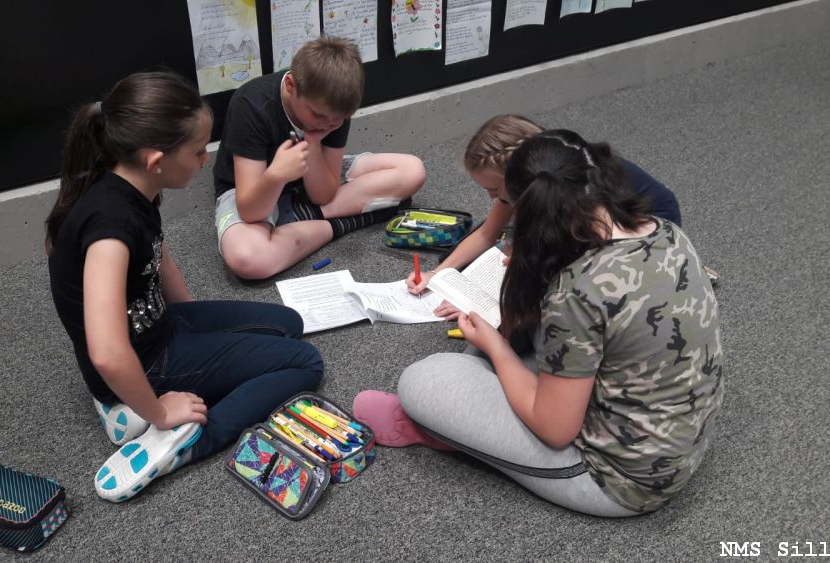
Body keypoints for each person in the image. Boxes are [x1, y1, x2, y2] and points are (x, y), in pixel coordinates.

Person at [355, 129, 724, 516]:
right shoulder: (666, 231)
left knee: (425, 378)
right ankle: (466, 425)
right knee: (506, 349)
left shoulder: (577, 291)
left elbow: (555, 429)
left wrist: (497, 348)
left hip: (618, 479)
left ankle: (449, 435)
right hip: (679, 443)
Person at [45, 72, 323, 502]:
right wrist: (160, 412)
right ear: (156, 160)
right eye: (197, 151)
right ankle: (187, 440)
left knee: (289, 324)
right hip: (145, 360)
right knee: (305, 363)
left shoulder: (131, 184)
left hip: (161, 328)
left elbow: (157, 257)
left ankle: (124, 405)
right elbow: (107, 352)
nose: (205, 159)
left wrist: (203, 336)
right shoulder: (109, 227)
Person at [407, 115, 686, 320]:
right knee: (503, 252)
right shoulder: (534, 181)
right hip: (595, 226)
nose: (492, 197)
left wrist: (482, 304)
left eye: (494, 189)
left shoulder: (571, 191)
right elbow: (486, 233)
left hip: (648, 227)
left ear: (521, 177)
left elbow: (563, 258)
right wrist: (438, 274)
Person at [213, 36, 426, 280]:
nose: (327, 125)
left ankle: (301, 217)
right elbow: (251, 212)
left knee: (413, 170)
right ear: (291, 85)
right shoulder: (251, 104)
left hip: (311, 176)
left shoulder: (334, 109)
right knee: (247, 259)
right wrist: (277, 175)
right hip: (257, 190)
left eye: (336, 122)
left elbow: (323, 195)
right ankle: (341, 222)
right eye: (318, 116)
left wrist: (313, 144)